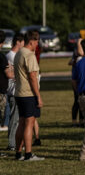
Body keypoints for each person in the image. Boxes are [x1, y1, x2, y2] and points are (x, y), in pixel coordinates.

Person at [13, 30, 44, 161]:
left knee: (21, 122)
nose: (37, 44)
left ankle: (18, 153)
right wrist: (38, 96)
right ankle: (28, 154)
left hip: (19, 92)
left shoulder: (19, 53)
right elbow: (32, 77)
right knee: (29, 123)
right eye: (37, 42)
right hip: (28, 94)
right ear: (31, 41)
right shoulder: (29, 55)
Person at [6, 32, 23, 151]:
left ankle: (14, 142)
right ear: (18, 42)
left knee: (17, 118)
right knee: (14, 119)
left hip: (17, 90)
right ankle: (12, 144)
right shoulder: (12, 56)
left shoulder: (13, 55)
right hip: (14, 91)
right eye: (23, 42)